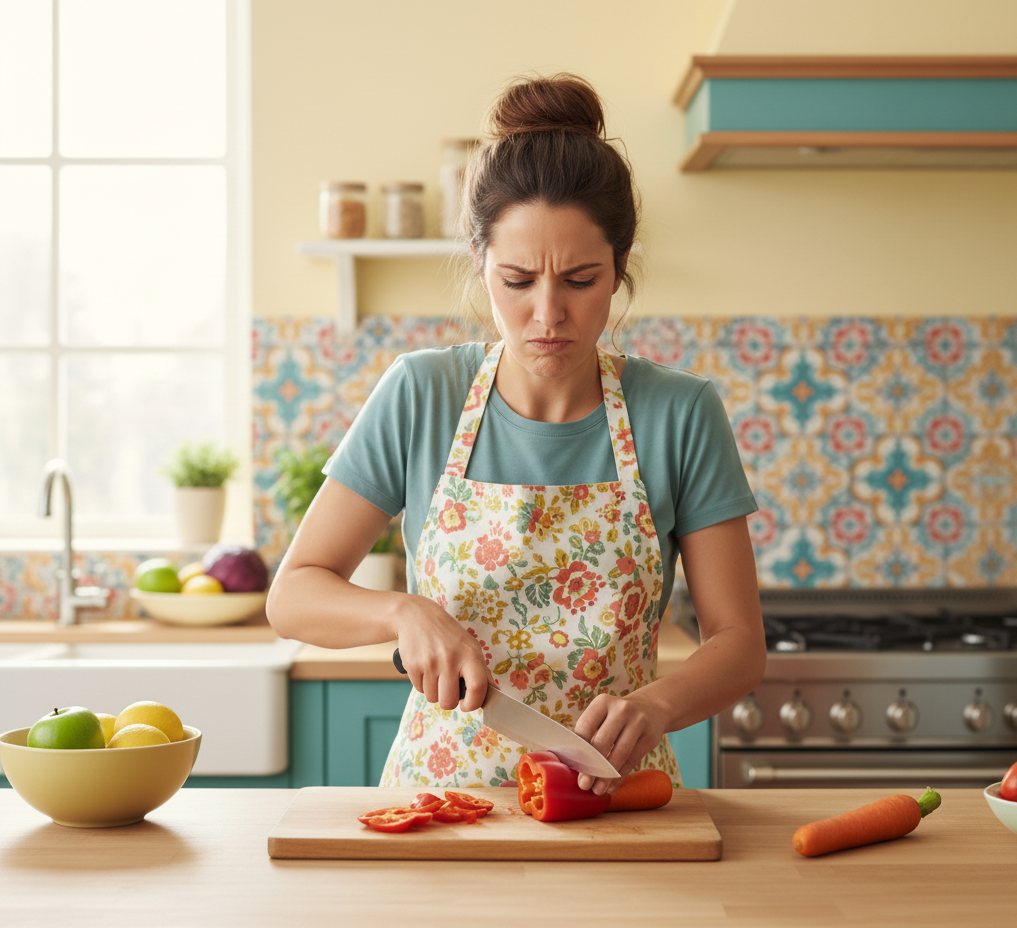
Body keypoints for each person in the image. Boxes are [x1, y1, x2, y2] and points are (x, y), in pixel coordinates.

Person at [267, 73, 765, 795]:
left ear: (620, 268)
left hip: (612, 800)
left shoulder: (680, 413)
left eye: (581, 280)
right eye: (518, 280)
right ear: (480, 267)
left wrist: (657, 706)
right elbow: (292, 596)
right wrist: (401, 611)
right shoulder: (422, 393)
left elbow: (739, 643)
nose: (548, 314)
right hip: (442, 803)